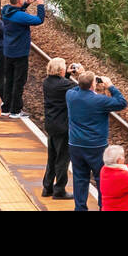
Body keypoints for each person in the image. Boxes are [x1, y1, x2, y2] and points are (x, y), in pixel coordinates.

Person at [65, 71, 127, 211]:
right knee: (101, 177)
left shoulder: (70, 95)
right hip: (96, 146)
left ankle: (80, 208)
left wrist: (83, 77)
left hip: (75, 144)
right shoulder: (100, 101)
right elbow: (122, 103)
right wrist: (110, 86)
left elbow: (77, 88)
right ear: (93, 84)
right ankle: (103, 207)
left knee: (80, 177)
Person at [0, 0, 45, 118]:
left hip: (8, 51)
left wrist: (25, 4)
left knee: (8, 80)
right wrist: (40, 5)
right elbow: (39, 20)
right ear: (18, 1)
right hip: (20, 53)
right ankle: (15, 110)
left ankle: (6, 108)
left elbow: (15, 11)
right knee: (19, 81)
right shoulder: (20, 16)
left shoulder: (5, 10)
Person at [41, 58, 75, 199]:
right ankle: (59, 189)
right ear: (60, 70)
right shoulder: (64, 85)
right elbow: (79, 87)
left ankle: (47, 187)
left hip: (51, 124)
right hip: (62, 126)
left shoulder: (47, 82)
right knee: (62, 159)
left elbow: (62, 85)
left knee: (52, 157)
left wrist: (66, 74)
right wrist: (79, 73)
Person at [99, 145, 128, 211]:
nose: (124, 158)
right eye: (123, 156)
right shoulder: (120, 176)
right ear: (118, 160)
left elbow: (124, 169)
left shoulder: (105, 169)